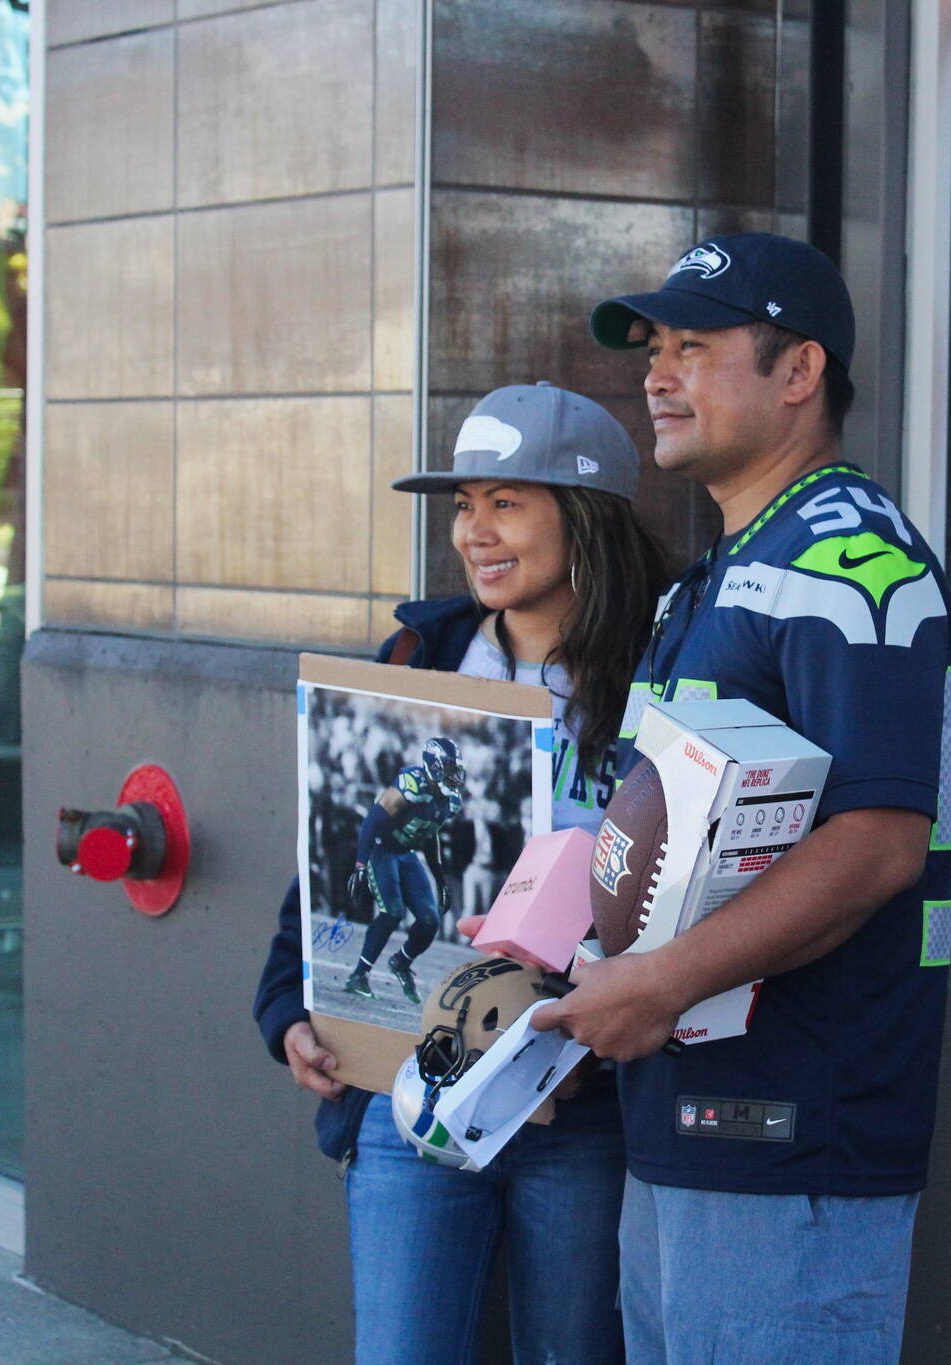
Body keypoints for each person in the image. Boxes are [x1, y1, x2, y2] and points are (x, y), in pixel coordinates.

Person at [531, 234, 951, 1363]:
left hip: (791, 1143)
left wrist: (657, 981)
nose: (656, 375)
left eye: (694, 346)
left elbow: (877, 848)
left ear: (799, 371)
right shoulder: (710, 575)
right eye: (654, 349)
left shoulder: (851, 554)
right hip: (682, 1124)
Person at [252, 382, 669, 1365]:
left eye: (505, 502)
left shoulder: (668, 672)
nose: (474, 532)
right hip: (412, 1094)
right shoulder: (418, 656)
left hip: (583, 1112)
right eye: (462, 505)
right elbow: (332, 857)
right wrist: (287, 1012)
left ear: (584, 515)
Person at [343, 735, 466, 1003]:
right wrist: (361, 864)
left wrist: (440, 879)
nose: (454, 776)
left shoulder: (450, 801)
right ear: (433, 766)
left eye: (455, 770)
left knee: (430, 920)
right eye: (448, 768)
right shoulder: (411, 784)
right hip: (382, 849)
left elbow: (430, 835)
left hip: (406, 854)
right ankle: (359, 975)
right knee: (392, 912)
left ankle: (401, 962)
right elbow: (373, 821)